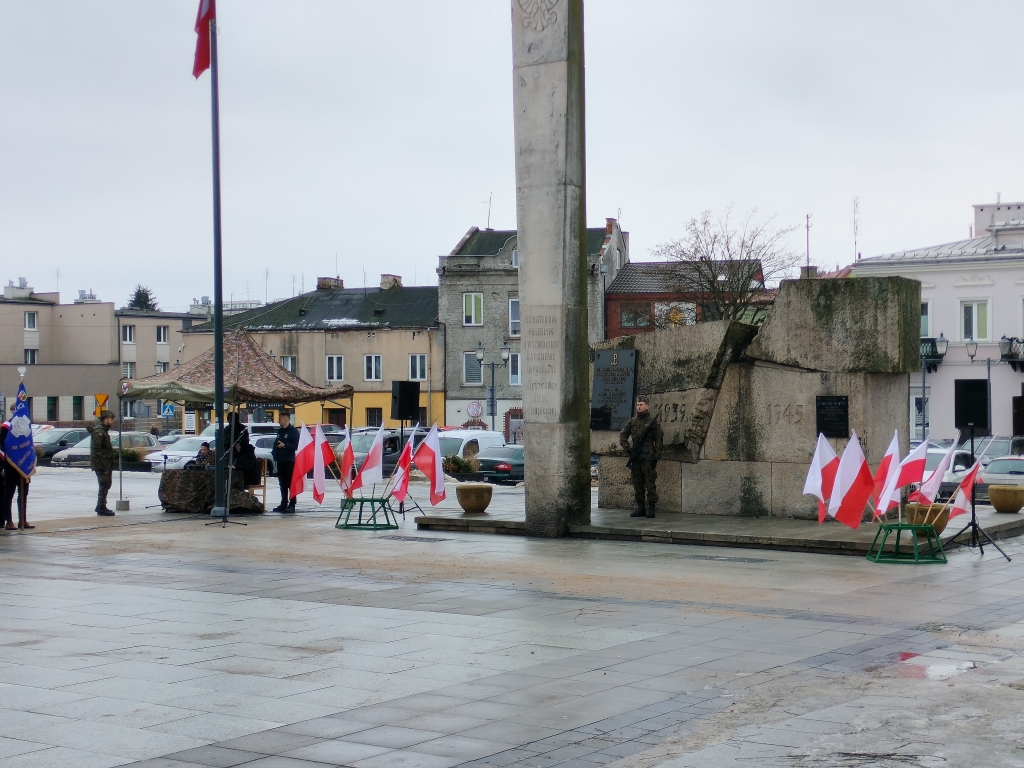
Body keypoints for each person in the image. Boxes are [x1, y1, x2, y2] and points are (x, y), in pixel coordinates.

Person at [619, 395, 664, 518]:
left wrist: (656, 457)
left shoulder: (653, 423)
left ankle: (651, 508)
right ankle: (640, 508)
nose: (639, 407)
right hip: (636, 457)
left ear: (647, 406)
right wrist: (629, 450)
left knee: (650, 483)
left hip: (648, 457)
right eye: (638, 404)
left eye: (641, 404)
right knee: (637, 483)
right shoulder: (632, 422)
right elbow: (622, 436)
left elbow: (659, 441)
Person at [90, 410, 117, 516]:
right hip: (101, 464)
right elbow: (97, 450)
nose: (112, 422)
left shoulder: (103, 431)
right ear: (105, 420)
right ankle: (101, 506)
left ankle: (101, 505)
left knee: (106, 484)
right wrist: (103, 462)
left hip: (105, 464)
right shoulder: (99, 432)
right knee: (104, 484)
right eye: (110, 420)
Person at [271, 412, 299, 512]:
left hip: (289, 461)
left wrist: (285, 445)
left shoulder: (293, 431)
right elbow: (276, 442)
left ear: (285, 419)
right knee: (282, 483)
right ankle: (283, 503)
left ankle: (292, 504)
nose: (279, 421)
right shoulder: (280, 431)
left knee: (290, 483)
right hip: (280, 460)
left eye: (280, 419)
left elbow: (295, 446)